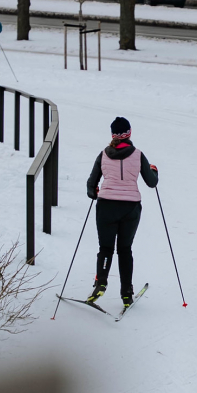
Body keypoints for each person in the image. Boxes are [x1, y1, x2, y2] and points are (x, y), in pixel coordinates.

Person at [86, 117, 159, 307]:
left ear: (113, 135)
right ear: (129, 133)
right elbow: (151, 182)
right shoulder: (138, 155)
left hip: (106, 208)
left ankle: (100, 282)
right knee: (125, 250)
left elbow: (90, 186)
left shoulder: (103, 155)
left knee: (106, 248)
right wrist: (154, 170)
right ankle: (126, 293)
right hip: (130, 208)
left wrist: (94, 191)